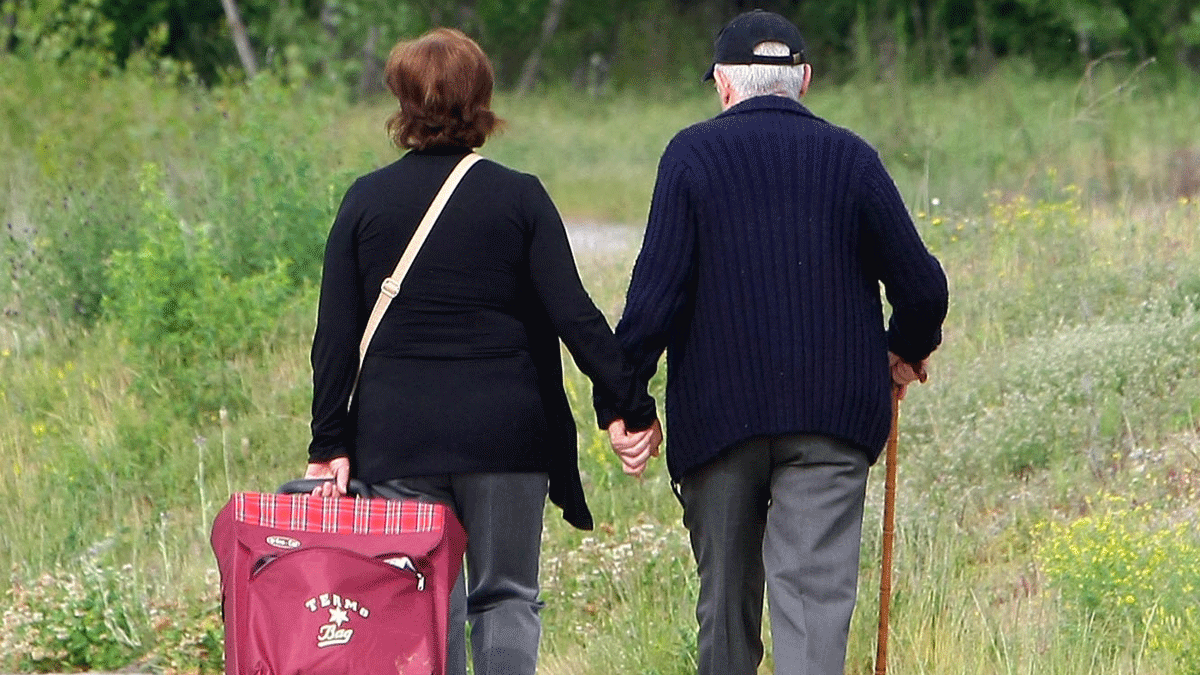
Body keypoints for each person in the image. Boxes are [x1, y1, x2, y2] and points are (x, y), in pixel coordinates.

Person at [597, 10, 948, 675]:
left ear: (723, 83)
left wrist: (625, 403)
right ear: (804, 80)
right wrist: (902, 349)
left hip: (718, 419)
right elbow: (923, 288)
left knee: (725, 609)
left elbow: (653, 299)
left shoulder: (691, 155)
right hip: (831, 420)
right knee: (813, 610)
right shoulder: (851, 158)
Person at [303, 27, 661, 675]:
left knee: (418, 598)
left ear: (402, 103)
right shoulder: (519, 197)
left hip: (397, 438)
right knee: (506, 596)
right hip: (505, 434)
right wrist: (628, 407)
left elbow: (334, 337)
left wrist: (328, 442)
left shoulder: (365, 201)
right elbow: (574, 315)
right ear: (483, 100)